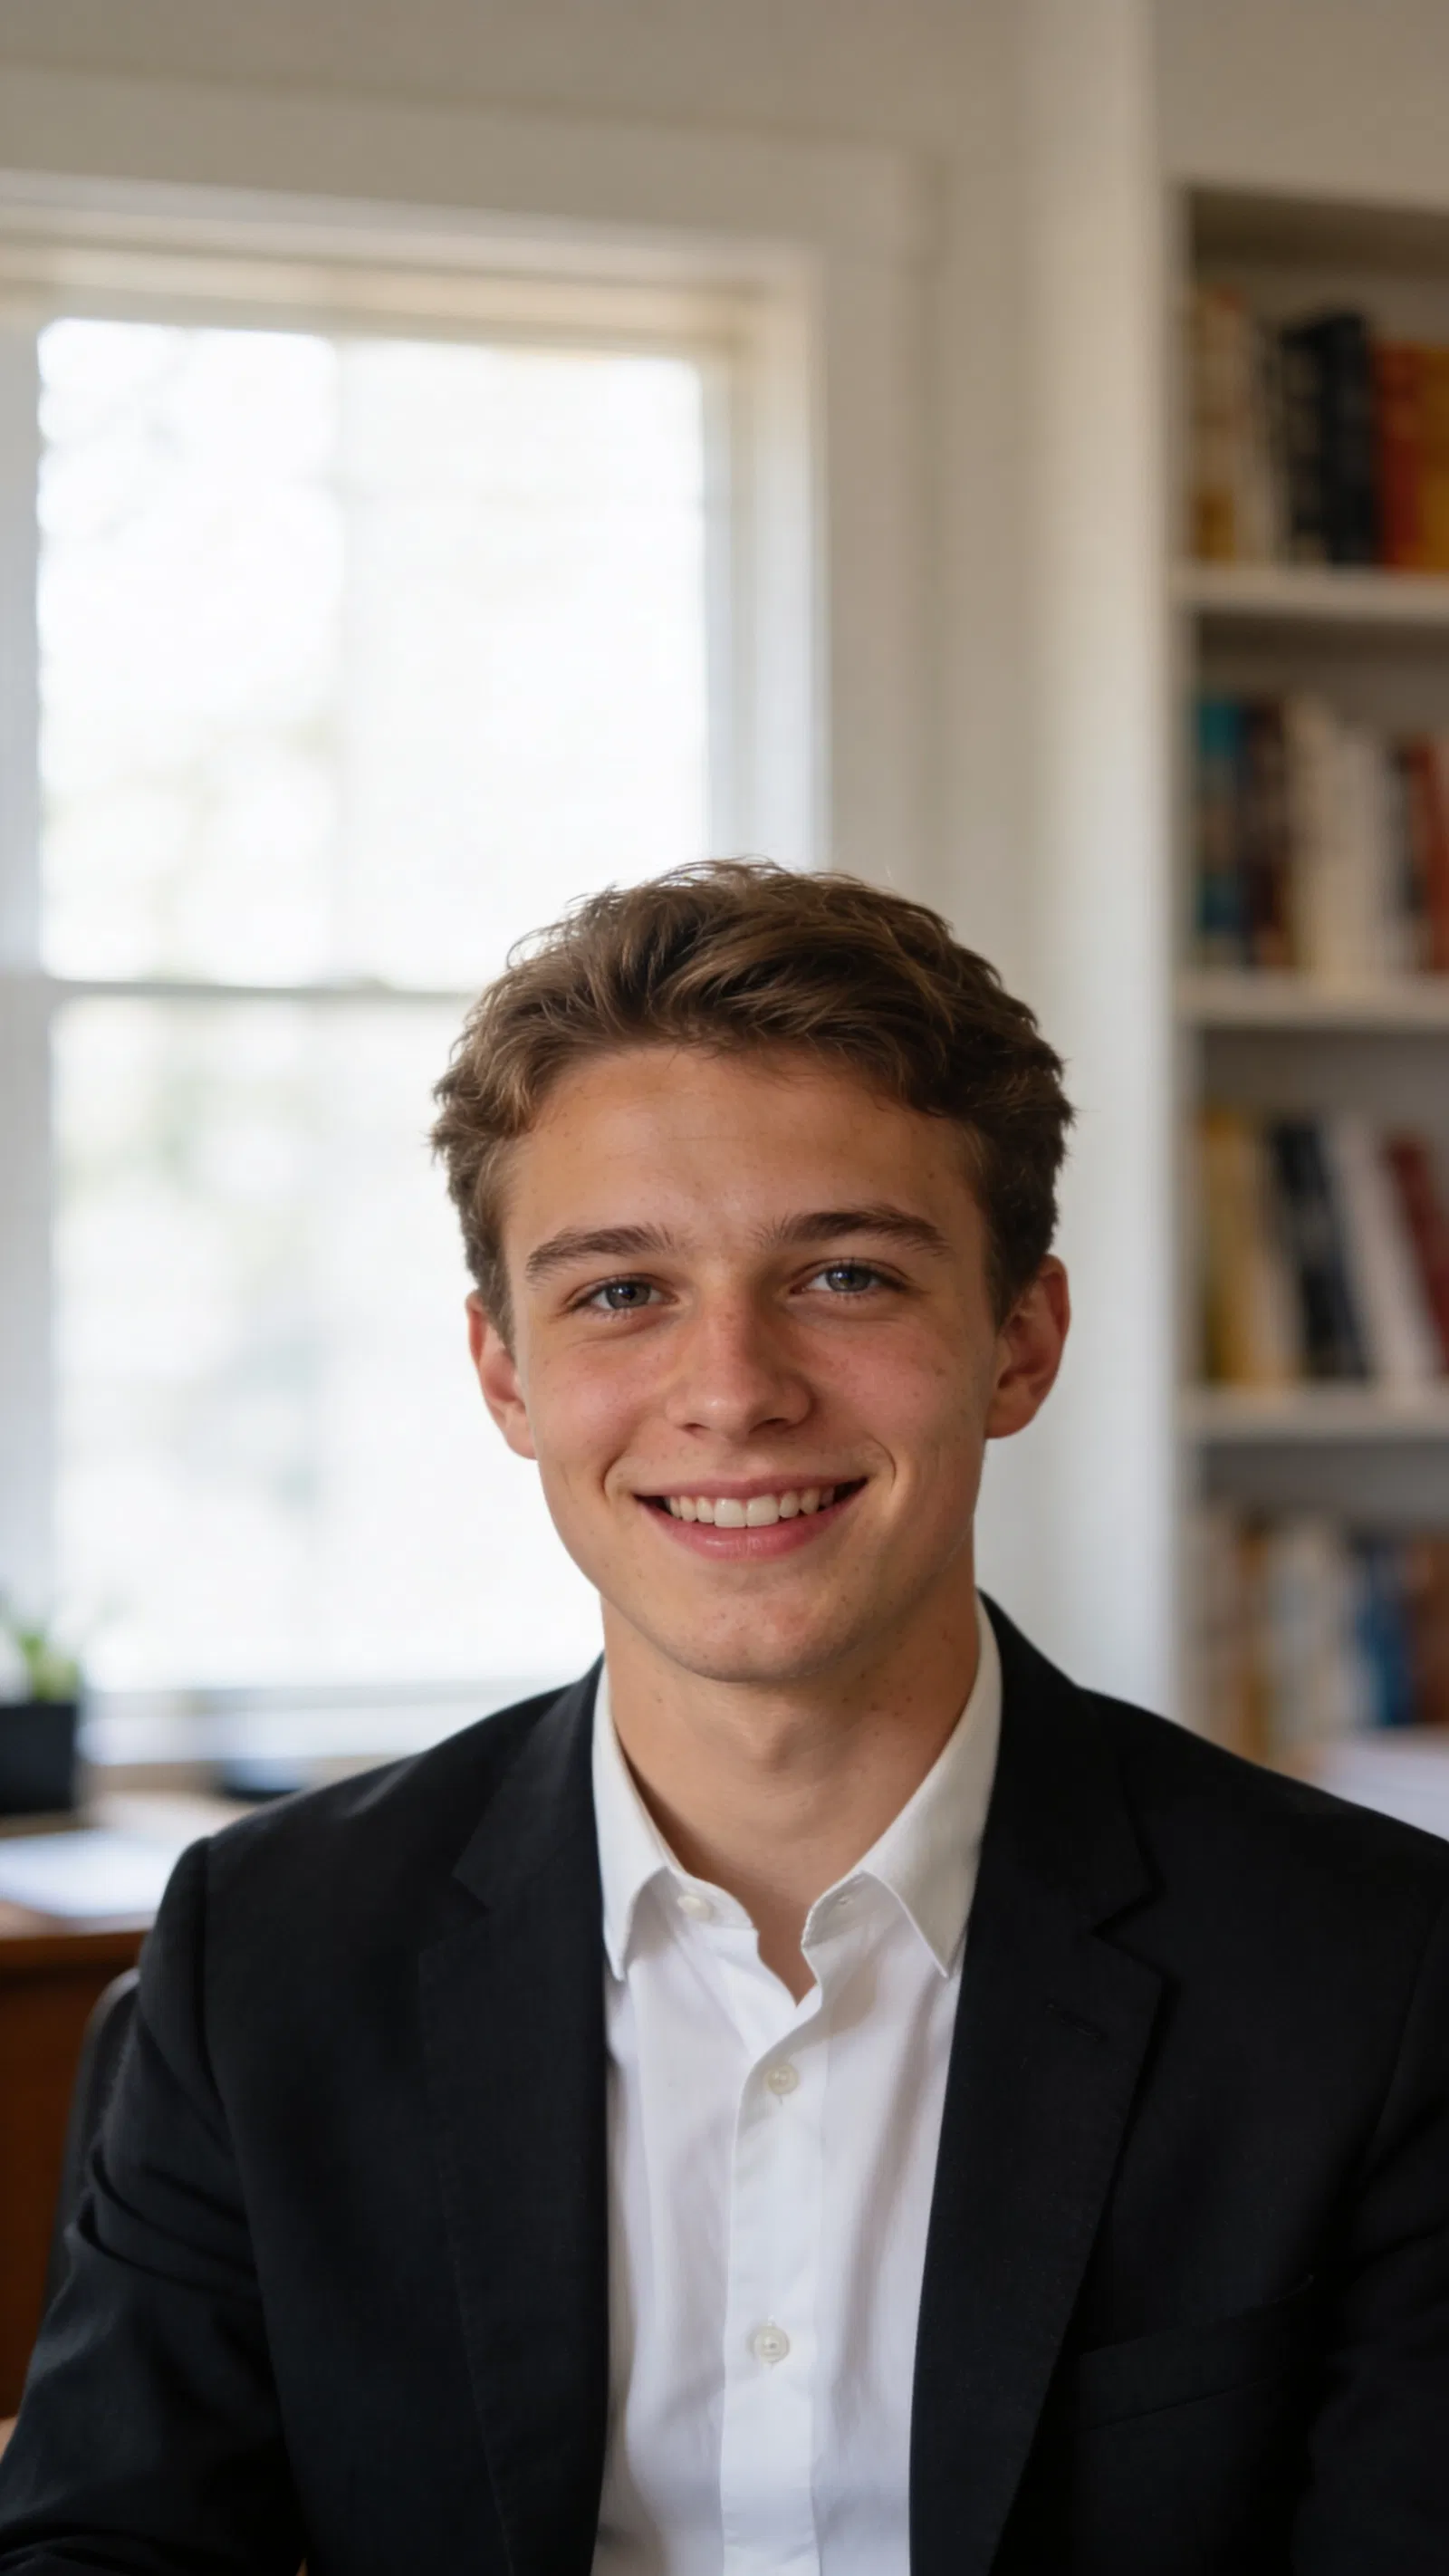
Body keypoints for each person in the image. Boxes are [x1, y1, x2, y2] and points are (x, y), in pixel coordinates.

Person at [1, 860, 1447, 2576]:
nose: (734, 1391)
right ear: (506, 1375)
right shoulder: (268, 1958)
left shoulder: (1376, 1974)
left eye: (844, 1275)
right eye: (621, 1292)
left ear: (1019, 1341)